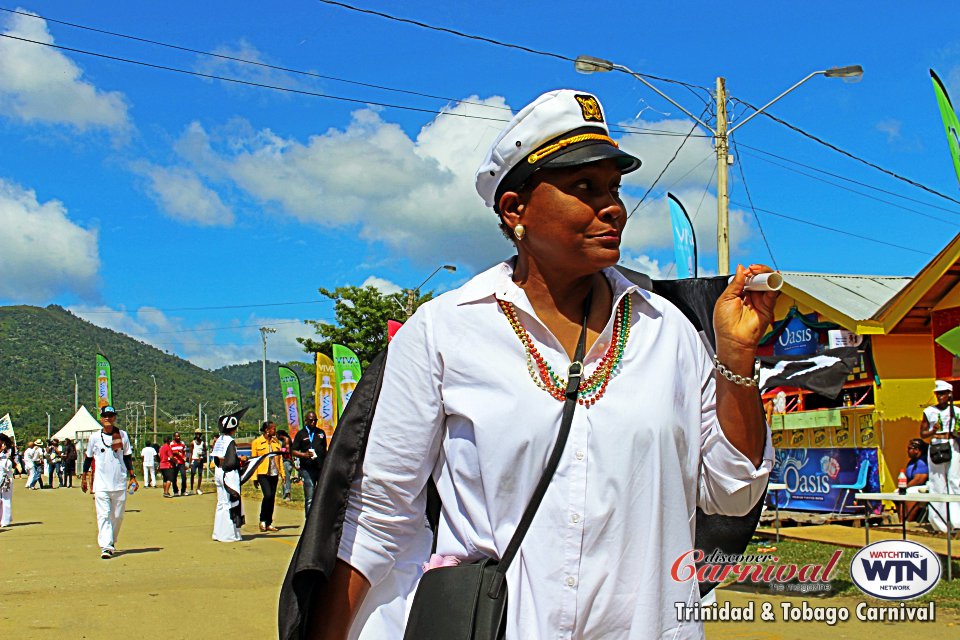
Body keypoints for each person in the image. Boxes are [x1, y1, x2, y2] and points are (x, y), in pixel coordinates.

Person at [314, 89, 777, 640]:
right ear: (515, 210)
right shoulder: (444, 332)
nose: (613, 207)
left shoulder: (668, 331)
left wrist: (737, 359)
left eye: (614, 188)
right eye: (583, 188)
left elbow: (734, 493)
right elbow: (377, 520)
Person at [81, 406, 138, 559]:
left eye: (111, 415)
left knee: (118, 516)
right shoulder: (94, 437)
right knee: (103, 515)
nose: (108, 418)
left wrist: (132, 476)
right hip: (101, 484)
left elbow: (127, 456)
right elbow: (88, 458)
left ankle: (112, 540)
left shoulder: (123, 435)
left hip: (119, 481)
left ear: (114, 418)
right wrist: (84, 476)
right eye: (105, 416)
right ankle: (106, 546)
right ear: (101, 418)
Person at [920, 379, 960, 532]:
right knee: (937, 482)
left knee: (954, 481)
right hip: (936, 444)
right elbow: (922, 434)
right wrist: (933, 430)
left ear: (949, 395)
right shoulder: (929, 411)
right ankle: (939, 523)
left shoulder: (956, 411)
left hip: (951, 444)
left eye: (943, 394)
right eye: (938, 394)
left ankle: (956, 522)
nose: (939, 396)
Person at [212, 410, 248, 542]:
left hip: (219, 472)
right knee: (232, 503)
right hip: (228, 474)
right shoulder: (231, 441)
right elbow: (232, 461)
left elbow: (217, 458)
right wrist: (241, 460)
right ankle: (229, 534)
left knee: (221, 503)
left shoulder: (220, 440)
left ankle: (218, 533)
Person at [250, 421, 284, 532]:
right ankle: (262, 520)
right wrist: (254, 477)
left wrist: (282, 474)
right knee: (268, 495)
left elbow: (280, 460)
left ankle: (269, 522)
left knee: (272, 498)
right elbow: (253, 461)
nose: (275, 430)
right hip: (262, 473)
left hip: (274, 473)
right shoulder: (257, 442)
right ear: (267, 430)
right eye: (273, 429)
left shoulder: (276, 442)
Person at [291, 411, 327, 516]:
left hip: (320, 468)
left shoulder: (321, 433)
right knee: (310, 496)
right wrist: (304, 455)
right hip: (307, 469)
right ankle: (309, 522)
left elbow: (324, 449)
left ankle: (320, 518)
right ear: (306, 421)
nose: (313, 422)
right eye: (311, 420)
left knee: (321, 494)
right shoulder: (301, 434)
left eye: (315, 420)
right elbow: (293, 451)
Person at [902, 438, 929, 522]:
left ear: (917, 450)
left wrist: (905, 488)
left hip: (924, 486)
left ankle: (909, 521)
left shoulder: (922, 462)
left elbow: (919, 480)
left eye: (910, 448)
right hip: (913, 486)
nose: (907, 451)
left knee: (910, 492)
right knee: (897, 493)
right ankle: (901, 521)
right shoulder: (911, 462)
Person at [0, 434, 13, 527]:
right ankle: (4, 518)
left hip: (6, 479)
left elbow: (6, 468)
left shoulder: (6, 454)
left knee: (5, 499)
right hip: (3, 476)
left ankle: (5, 519)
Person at [278, 430, 294, 502]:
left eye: (277, 435)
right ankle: (284, 495)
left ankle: (288, 495)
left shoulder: (287, 440)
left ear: (281, 435)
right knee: (284, 478)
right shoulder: (284, 441)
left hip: (287, 461)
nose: (277, 437)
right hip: (285, 461)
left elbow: (287, 451)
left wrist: (280, 450)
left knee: (287, 478)